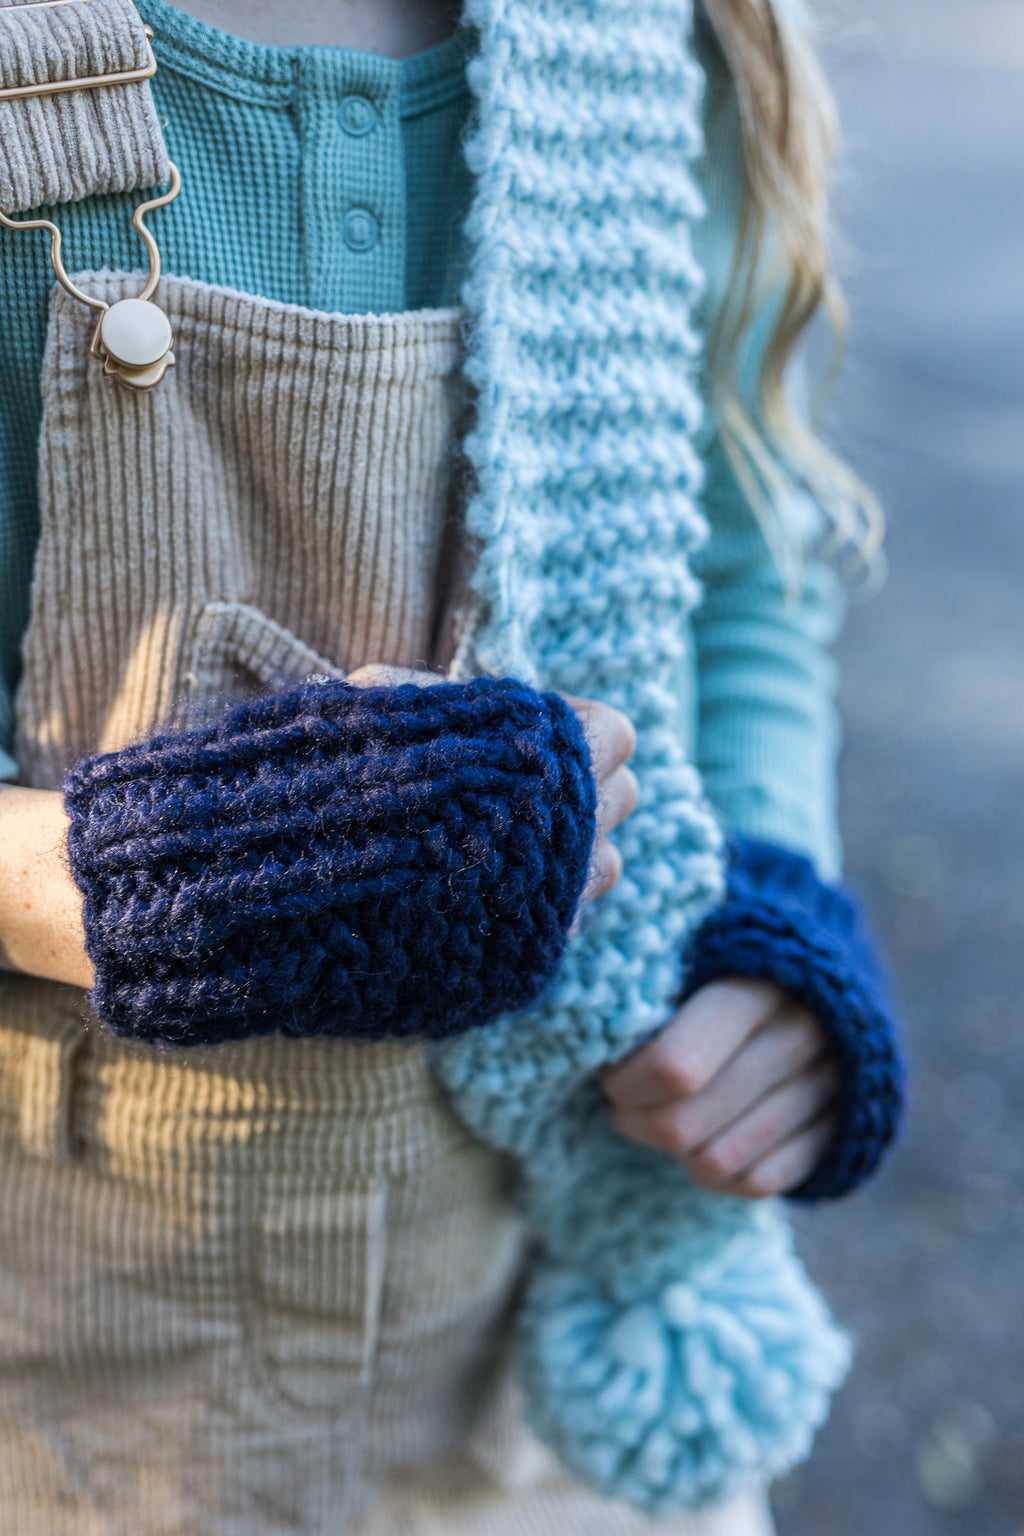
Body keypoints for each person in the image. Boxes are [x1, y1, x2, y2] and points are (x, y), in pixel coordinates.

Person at [0, 0, 903, 1531]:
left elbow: (744, 577)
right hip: (77, 1398)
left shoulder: (641, 40)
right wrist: (148, 880)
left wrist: (767, 906)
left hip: (535, 1391)